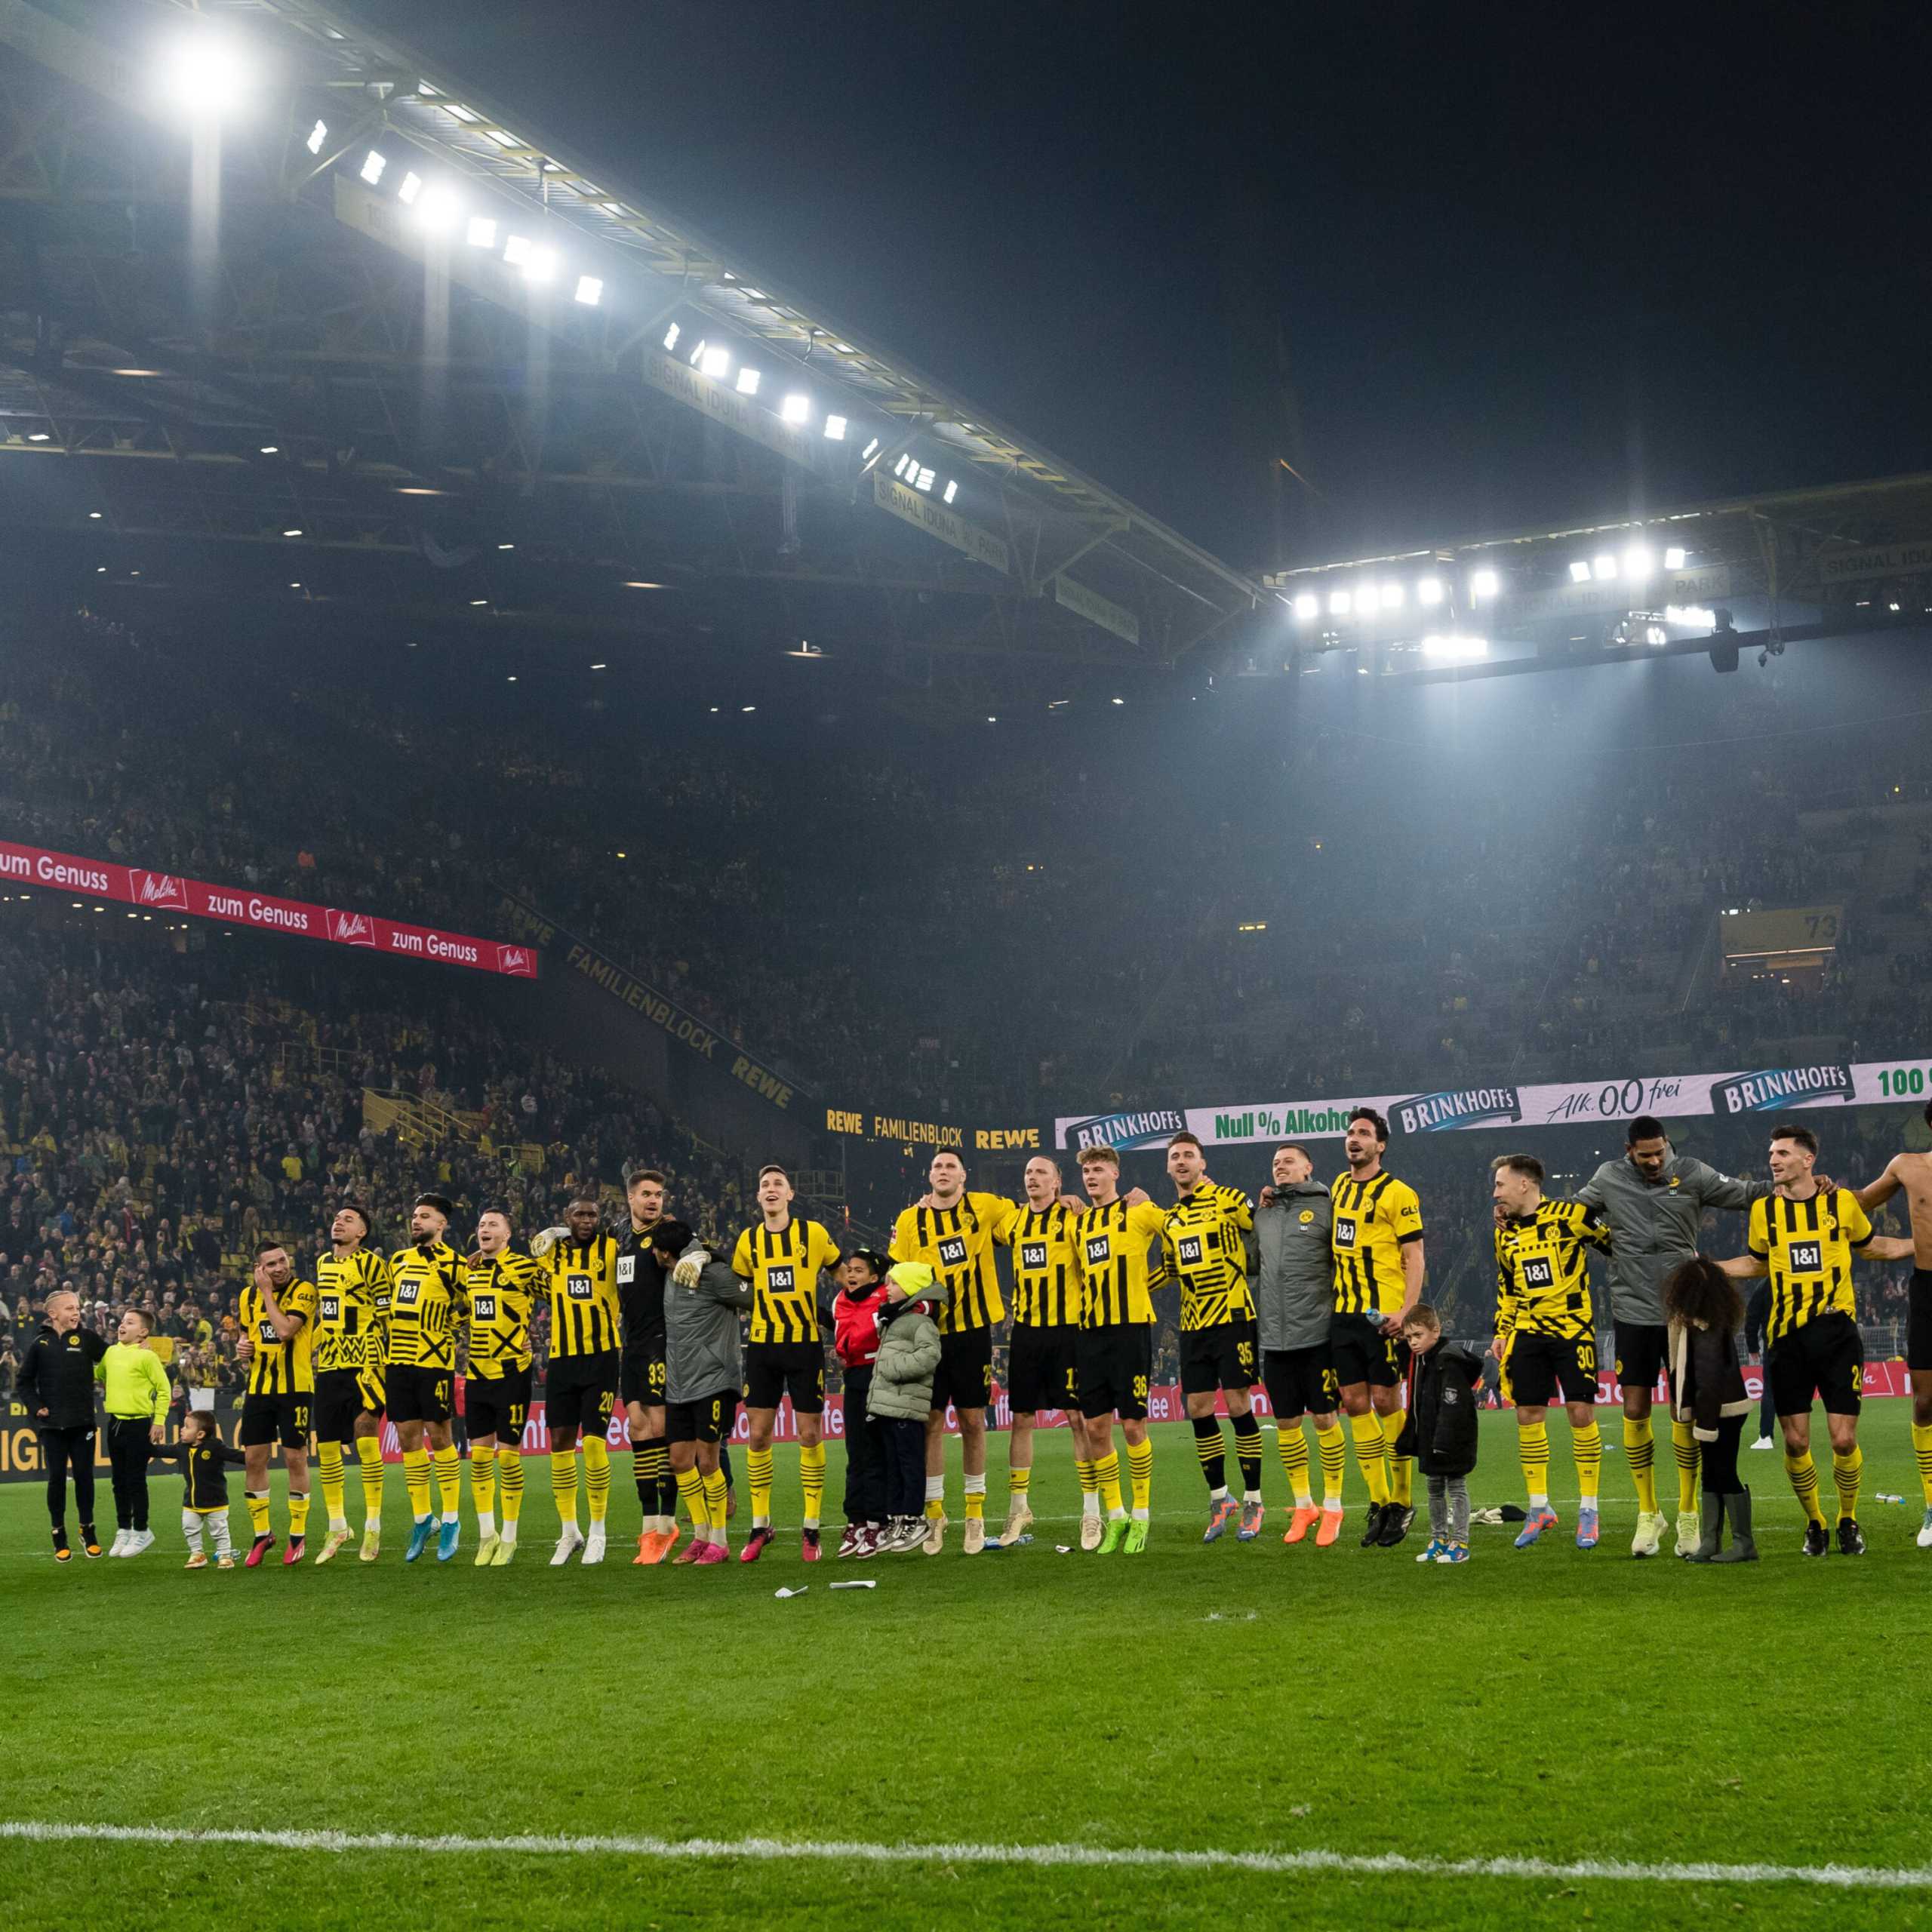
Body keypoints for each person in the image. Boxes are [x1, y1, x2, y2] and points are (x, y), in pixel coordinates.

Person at [1576, 1115, 1767, 1559]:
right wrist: (1516, 1213)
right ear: (1629, 1151)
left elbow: (1746, 1193)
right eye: (1646, 1155)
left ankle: (1688, 1513)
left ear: (1667, 1145)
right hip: (1632, 1311)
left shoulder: (1693, 1172)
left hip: (1684, 1313)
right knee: (1635, 1409)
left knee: (1685, 1411)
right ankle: (1648, 1513)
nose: (1655, 1161)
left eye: (1660, 1152)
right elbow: (1571, 1214)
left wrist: (1798, 1184)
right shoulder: (1608, 1177)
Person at [1717, 1124, 1912, 1556]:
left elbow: (1872, 1246)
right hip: (1786, 1338)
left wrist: (1921, 1244)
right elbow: (1757, 1263)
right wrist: (1713, 1267)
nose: (1773, 1160)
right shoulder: (1764, 1211)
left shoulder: (1841, 1202)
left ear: (1809, 1160)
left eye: (1783, 1153)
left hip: (1837, 1333)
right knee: (1796, 1442)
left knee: (1843, 1440)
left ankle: (1848, 1519)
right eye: (1772, 1153)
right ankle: (1815, 1523)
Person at [889, 1150, 1020, 1555]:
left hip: (972, 1333)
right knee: (930, 1423)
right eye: (937, 1166)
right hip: (926, 1335)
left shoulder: (986, 1206)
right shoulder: (909, 1220)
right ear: (929, 1176)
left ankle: (975, 1516)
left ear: (964, 1175)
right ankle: (935, 1515)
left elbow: (1027, 1219)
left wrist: (1063, 1200)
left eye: (950, 1166)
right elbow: (897, 1279)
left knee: (973, 1421)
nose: (943, 1171)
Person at [1491, 1154, 1612, 1550]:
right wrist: (1502, 1331)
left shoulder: (1572, 1216)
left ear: (1524, 1184)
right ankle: (1539, 1507)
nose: (1496, 1193)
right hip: (1527, 1333)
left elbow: (1614, 1243)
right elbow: (1508, 1286)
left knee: (1580, 1412)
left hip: (1573, 1330)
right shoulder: (1504, 1233)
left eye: (1500, 1184)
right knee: (1527, 1415)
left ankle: (1589, 1509)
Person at [728, 1166, 841, 1563]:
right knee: (758, 1436)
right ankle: (761, 1526)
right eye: (765, 1185)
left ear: (790, 1194)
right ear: (758, 1197)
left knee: (809, 1435)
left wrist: (854, 1309)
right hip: (762, 1346)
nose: (771, 1189)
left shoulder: (813, 1234)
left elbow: (843, 1273)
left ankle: (811, 1528)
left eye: (778, 1184)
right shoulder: (748, 1241)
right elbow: (738, 1287)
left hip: (805, 1345)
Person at [1161, 1131, 1264, 1543]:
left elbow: (1263, 1226)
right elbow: (1169, 1270)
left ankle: (1254, 1500)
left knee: (1238, 1404)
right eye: (1175, 1156)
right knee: (1198, 1408)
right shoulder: (1170, 1220)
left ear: (1202, 1163)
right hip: (1193, 1324)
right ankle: (1221, 1498)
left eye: (1189, 1155)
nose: (1181, 1161)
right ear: (1168, 1167)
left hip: (1233, 1316)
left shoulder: (1229, 1199)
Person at [1330, 1108, 1426, 1547]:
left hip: (1383, 1315)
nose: (1354, 1139)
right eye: (1351, 1132)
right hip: (1343, 1313)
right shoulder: (1337, 1187)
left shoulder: (1399, 1193)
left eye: (1364, 1133)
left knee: (1387, 1401)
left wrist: (1406, 1312)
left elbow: (1415, 1256)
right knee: (1354, 1403)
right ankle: (1379, 1500)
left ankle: (1402, 1502)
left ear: (1380, 1146)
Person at [1071, 1144, 1169, 1554]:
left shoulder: (1139, 1211)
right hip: (1090, 1333)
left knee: (1132, 1426)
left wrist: (1145, 1285)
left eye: (1098, 1169)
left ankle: (1142, 1514)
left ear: (1116, 1173)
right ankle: (1116, 1516)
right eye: (1086, 1171)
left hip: (1130, 1330)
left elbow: (1176, 1234)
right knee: (1095, 1428)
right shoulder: (1078, 1224)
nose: (1091, 1177)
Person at [991, 1155, 1091, 1548]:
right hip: (1026, 1332)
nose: (1032, 1177)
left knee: (1078, 1417)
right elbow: (978, 1223)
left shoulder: (1073, 1217)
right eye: (1028, 1172)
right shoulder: (1014, 1221)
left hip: (1069, 1331)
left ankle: (1091, 1509)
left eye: (1041, 1173)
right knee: (1021, 1419)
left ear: (1057, 1182)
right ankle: (1019, 1508)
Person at [1254, 1145, 1348, 1546]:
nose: (1280, 1166)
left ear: (1308, 1167)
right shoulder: (1264, 1213)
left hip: (1317, 1334)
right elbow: (1251, 1264)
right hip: (1275, 1339)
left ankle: (1334, 1506)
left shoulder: (1328, 1207)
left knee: (1325, 1419)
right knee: (1287, 1425)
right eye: (1275, 1163)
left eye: (1288, 1161)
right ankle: (1304, 1505)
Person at [1851, 1106, 1932, 1547]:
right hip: (1927, 1289)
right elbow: (1861, 1202)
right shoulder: (1907, 1165)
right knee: (1925, 1401)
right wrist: (1818, 1188)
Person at [532, 1192, 623, 1565]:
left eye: (592, 1215)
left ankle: (598, 1531)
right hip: (562, 1358)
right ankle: (570, 1532)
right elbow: (534, 1249)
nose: (587, 1221)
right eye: (579, 1215)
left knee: (595, 1443)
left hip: (602, 1356)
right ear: (567, 1217)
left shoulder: (611, 1248)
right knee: (559, 1444)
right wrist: (555, 1233)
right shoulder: (554, 1254)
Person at [662, 1218, 751, 1566]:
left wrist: (710, 1257)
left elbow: (752, 1294)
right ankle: (700, 1536)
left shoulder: (713, 1275)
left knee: (709, 1461)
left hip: (713, 1381)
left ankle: (720, 1541)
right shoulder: (668, 1275)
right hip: (679, 1384)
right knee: (680, 1461)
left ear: (663, 1252)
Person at [309, 1202, 392, 1565]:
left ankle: (373, 1525)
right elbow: (326, 1316)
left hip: (366, 1364)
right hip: (329, 1366)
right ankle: (338, 1526)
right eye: (337, 1218)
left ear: (362, 1232)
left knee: (366, 1438)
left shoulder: (373, 1264)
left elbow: (388, 1316)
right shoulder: (322, 1264)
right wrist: (308, 1348)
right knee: (327, 1447)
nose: (338, 1222)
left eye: (348, 1219)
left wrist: (391, 1364)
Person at [385, 1194, 466, 1564]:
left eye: (425, 1216)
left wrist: (446, 1324)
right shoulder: (399, 1261)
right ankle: (423, 1519)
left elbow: (471, 1305)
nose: (416, 1221)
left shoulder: (457, 1264)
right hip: (398, 1361)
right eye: (415, 1215)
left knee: (440, 1435)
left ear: (442, 1224)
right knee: (407, 1438)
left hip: (434, 1361)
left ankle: (450, 1519)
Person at [1663, 1257, 1757, 1563]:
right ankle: (1711, 1541)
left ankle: (1743, 1543)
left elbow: (1708, 1380)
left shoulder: (1704, 1327)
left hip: (1720, 1410)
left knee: (1724, 1471)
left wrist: (1705, 1425)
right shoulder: (1704, 1322)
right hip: (1717, 1408)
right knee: (1712, 1472)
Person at [462, 1208, 540, 1567]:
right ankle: (486, 1535)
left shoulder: (523, 1268)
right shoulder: (470, 1270)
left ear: (508, 1235)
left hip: (512, 1372)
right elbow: (461, 1312)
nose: (485, 1229)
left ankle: (509, 1537)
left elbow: (558, 1291)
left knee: (507, 1457)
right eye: (481, 1225)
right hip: (477, 1372)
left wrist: (530, 1335)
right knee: (478, 1459)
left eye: (493, 1224)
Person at [234, 1241, 317, 1567]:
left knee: (295, 1458)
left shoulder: (304, 1291)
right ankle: (262, 1535)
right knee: (254, 1460)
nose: (280, 1267)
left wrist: (267, 1291)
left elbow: (284, 1331)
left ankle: (297, 1535)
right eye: (271, 1264)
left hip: (295, 1389)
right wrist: (243, 1348)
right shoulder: (246, 1297)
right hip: (259, 1388)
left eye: (282, 1260)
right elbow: (246, 1336)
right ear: (259, 1268)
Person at [17, 1286, 106, 1559]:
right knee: (56, 1479)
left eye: (78, 1308)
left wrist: (137, 1347)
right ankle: (58, 1532)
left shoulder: (87, 1338)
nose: (76, 1312)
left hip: (83, 1423)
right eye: (70, 1308)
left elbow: (115, 1359)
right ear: (53, 1314)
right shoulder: (39, 1344)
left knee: (84, 1477)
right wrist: (36, 1408)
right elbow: (24, 1382)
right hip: (52, 1425)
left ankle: (87, 1529)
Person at [869, 1263, 951, 1552]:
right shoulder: (895, 1318)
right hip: (889, 1405)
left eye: (893, 1283)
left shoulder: (920, 1322)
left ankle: (914, 1520)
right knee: (894, 1466)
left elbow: (930, 1355)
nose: (887, 1289)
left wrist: (893, 1368)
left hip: (907, 1405)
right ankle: (897, 1519)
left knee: (909, 1465)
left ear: (911, 1287)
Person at [617, 1166, 675, 1564]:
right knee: (637, 1427)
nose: (654, 1200)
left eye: (658, 1194)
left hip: (662, 1341)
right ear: (631, 1198)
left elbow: (699, 1252)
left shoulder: (669, 1233)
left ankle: (667, 1525)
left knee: (660, 1427)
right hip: (632, 1344)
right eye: (647, 1194)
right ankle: (648, 1525)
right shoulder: (619, 1235)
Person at [1397, 1303, 1483, 1564]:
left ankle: (1461, 1543)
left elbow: (1453, 1404)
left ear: (1436, 1331)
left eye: (1418, 1335)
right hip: (1430, 1435)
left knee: (1456, 1487)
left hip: (1451, 1437)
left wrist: (1444, 1440)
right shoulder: (1422, 1359)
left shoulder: (1448, 1360)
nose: (1413, 1342)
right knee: (1434, 1488)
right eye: (1409, 1337)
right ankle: (1439, 1540)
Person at [831, 1248, 891, 1556]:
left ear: (875, 1277)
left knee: (875, 1452)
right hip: (853, 1377)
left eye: (859, 1270)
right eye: (849, 1269)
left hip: (879, 1377)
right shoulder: (839, 1301)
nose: (851, 1274)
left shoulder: (887, 1300)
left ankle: (878, 1522)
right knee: (855, 1453)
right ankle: (856, 1520)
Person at [99, 1307, 171, 1556]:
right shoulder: (110, 1352)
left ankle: (142, 1530)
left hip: (138, 1424)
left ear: (143, 1332)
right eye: (122, 1321)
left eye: (130, 1322)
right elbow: (99, 1374)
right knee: (118, 1481)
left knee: (135, 1479)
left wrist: (159, 1421)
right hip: (114, 1423)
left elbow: (164, 1389)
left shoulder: (147, 1357)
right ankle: (124, 1529)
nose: (122, 1325)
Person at [148, 1408, 248, 1570]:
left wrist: (256, 1457)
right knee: (189, 1527)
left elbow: (236, 1456)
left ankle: (225, 1555)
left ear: (200, 1434)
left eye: (187, 1427)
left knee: (219, 1530)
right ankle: (197, 1554)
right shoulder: (181, 1448)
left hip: (216, 1501)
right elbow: (159, 1450)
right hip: (191, 1502)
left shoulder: (215, 1447)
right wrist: (142, 1444)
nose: (182, 1429)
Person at [1743, 1278, 1777, 1451]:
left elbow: (1752, 1316)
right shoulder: (1796, 1279)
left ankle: (1766, 1436)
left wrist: (1753, 1346)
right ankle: (1800, 1436)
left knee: (1770, 1392)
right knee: (1798, 1392)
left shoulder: (1764, 1286)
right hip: (1798, 1345)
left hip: (1774, 1345)